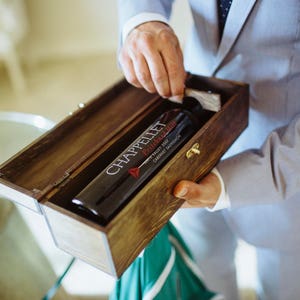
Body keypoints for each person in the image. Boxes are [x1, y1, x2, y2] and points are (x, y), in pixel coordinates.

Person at [117, 1, 300, 299]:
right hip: (189, 133)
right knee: (204, 276)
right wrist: (142, 21)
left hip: (285, 171)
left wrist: (229, 184)